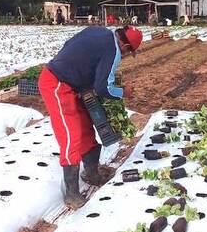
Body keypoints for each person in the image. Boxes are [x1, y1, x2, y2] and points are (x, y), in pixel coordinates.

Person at [38, 25, 143, 209]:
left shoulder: (100, 31)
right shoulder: (113, 50)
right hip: (56, 83)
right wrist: (123, 92)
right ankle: (71, 194)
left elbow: (70, 44)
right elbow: (104, 88)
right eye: (128, 53)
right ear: (126, 47)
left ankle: (91, 173)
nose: (125, 55)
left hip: (72, 85)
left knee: (86, 128)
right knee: (71, 135)